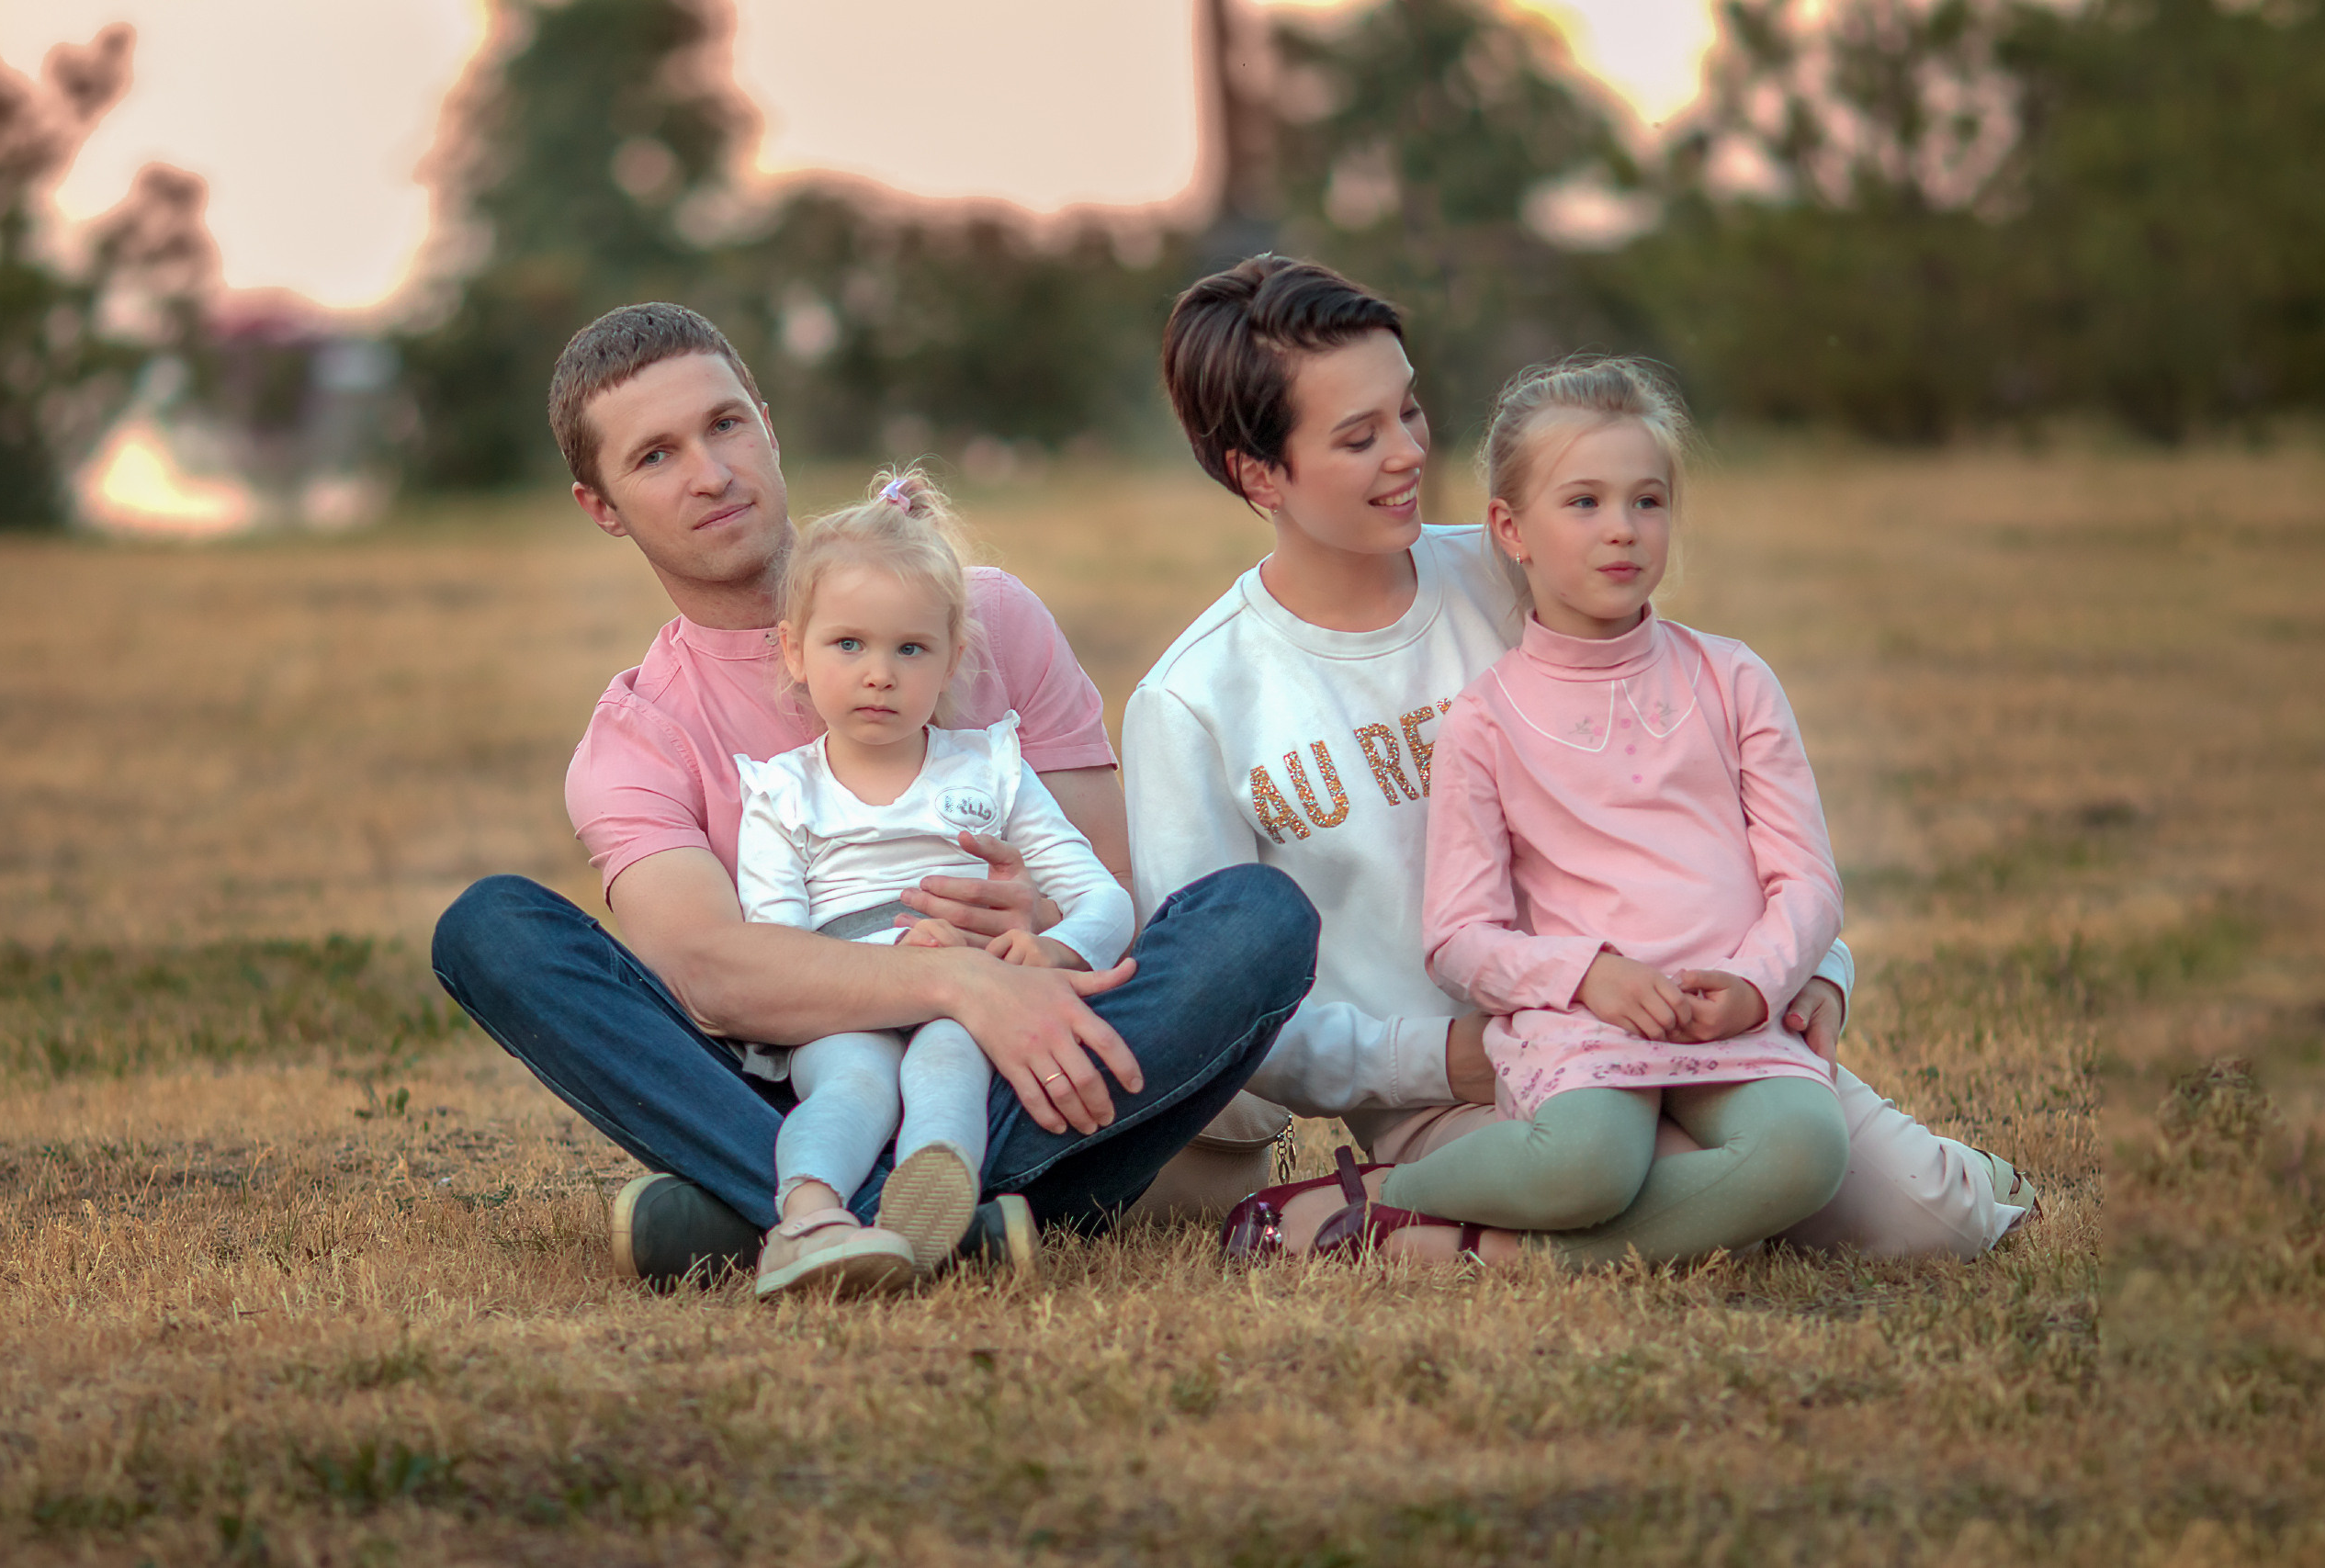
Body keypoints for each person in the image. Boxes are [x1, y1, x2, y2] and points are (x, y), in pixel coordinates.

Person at [1128, 256, 2037, 1263]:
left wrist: (1808, 967)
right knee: (1612, 1174)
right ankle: (1391, 1214)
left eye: (1410, 412)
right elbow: (1231, 1019)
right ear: (1259, 474)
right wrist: (1443, 1055)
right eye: (1358, 437)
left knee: (1936, 1223)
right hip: (1465, 1085)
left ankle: (1469, 1249)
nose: (1408, 456)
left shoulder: (1514, 559)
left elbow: (1691, 772)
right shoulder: (1193, 705)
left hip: (1688, 1022)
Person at [430, 302, 1317, 1290]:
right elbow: (714, 978)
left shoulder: (987, 620)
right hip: (792, 1076)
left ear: (766, 423)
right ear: (602, 505)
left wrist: (1036, 924)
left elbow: (1114, 887)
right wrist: (953, 982)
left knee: (1258, 917)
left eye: (724, 425)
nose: (711, 474)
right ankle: (960, 1215)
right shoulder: (636, 740)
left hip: (1014, 1051)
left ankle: (783, 1210)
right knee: (492, 929)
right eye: (655, 457)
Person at [1326, 356, 1850, 1263]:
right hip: (1588, 1024)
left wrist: (1758, 983)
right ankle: (1377, 1201)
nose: (1623, 531)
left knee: (1806, 1148)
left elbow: (1804, 876)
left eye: (1646, 502)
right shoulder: (1486, 721)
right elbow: (1457, 936)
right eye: (1584, 503)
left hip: (1729, 1016)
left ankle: (1504, 1260)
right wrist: (1588, 978)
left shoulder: (1731, 679)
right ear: (1511, 528)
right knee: (1588, 1168)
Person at [734, 471, 1135, 1294]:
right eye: (849, 644)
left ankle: (929, 1205)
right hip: (843, 1006)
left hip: (974, 998)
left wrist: (1050, 950)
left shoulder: (990, 769)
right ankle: (808, 1216)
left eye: (909, 648)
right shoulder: (784, 792)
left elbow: (1107, 898)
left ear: (952, 657)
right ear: (793, 651)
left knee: (950, 1060)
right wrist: (895, 971)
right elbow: (773, 946)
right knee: (857, 1084)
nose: (879, 673)